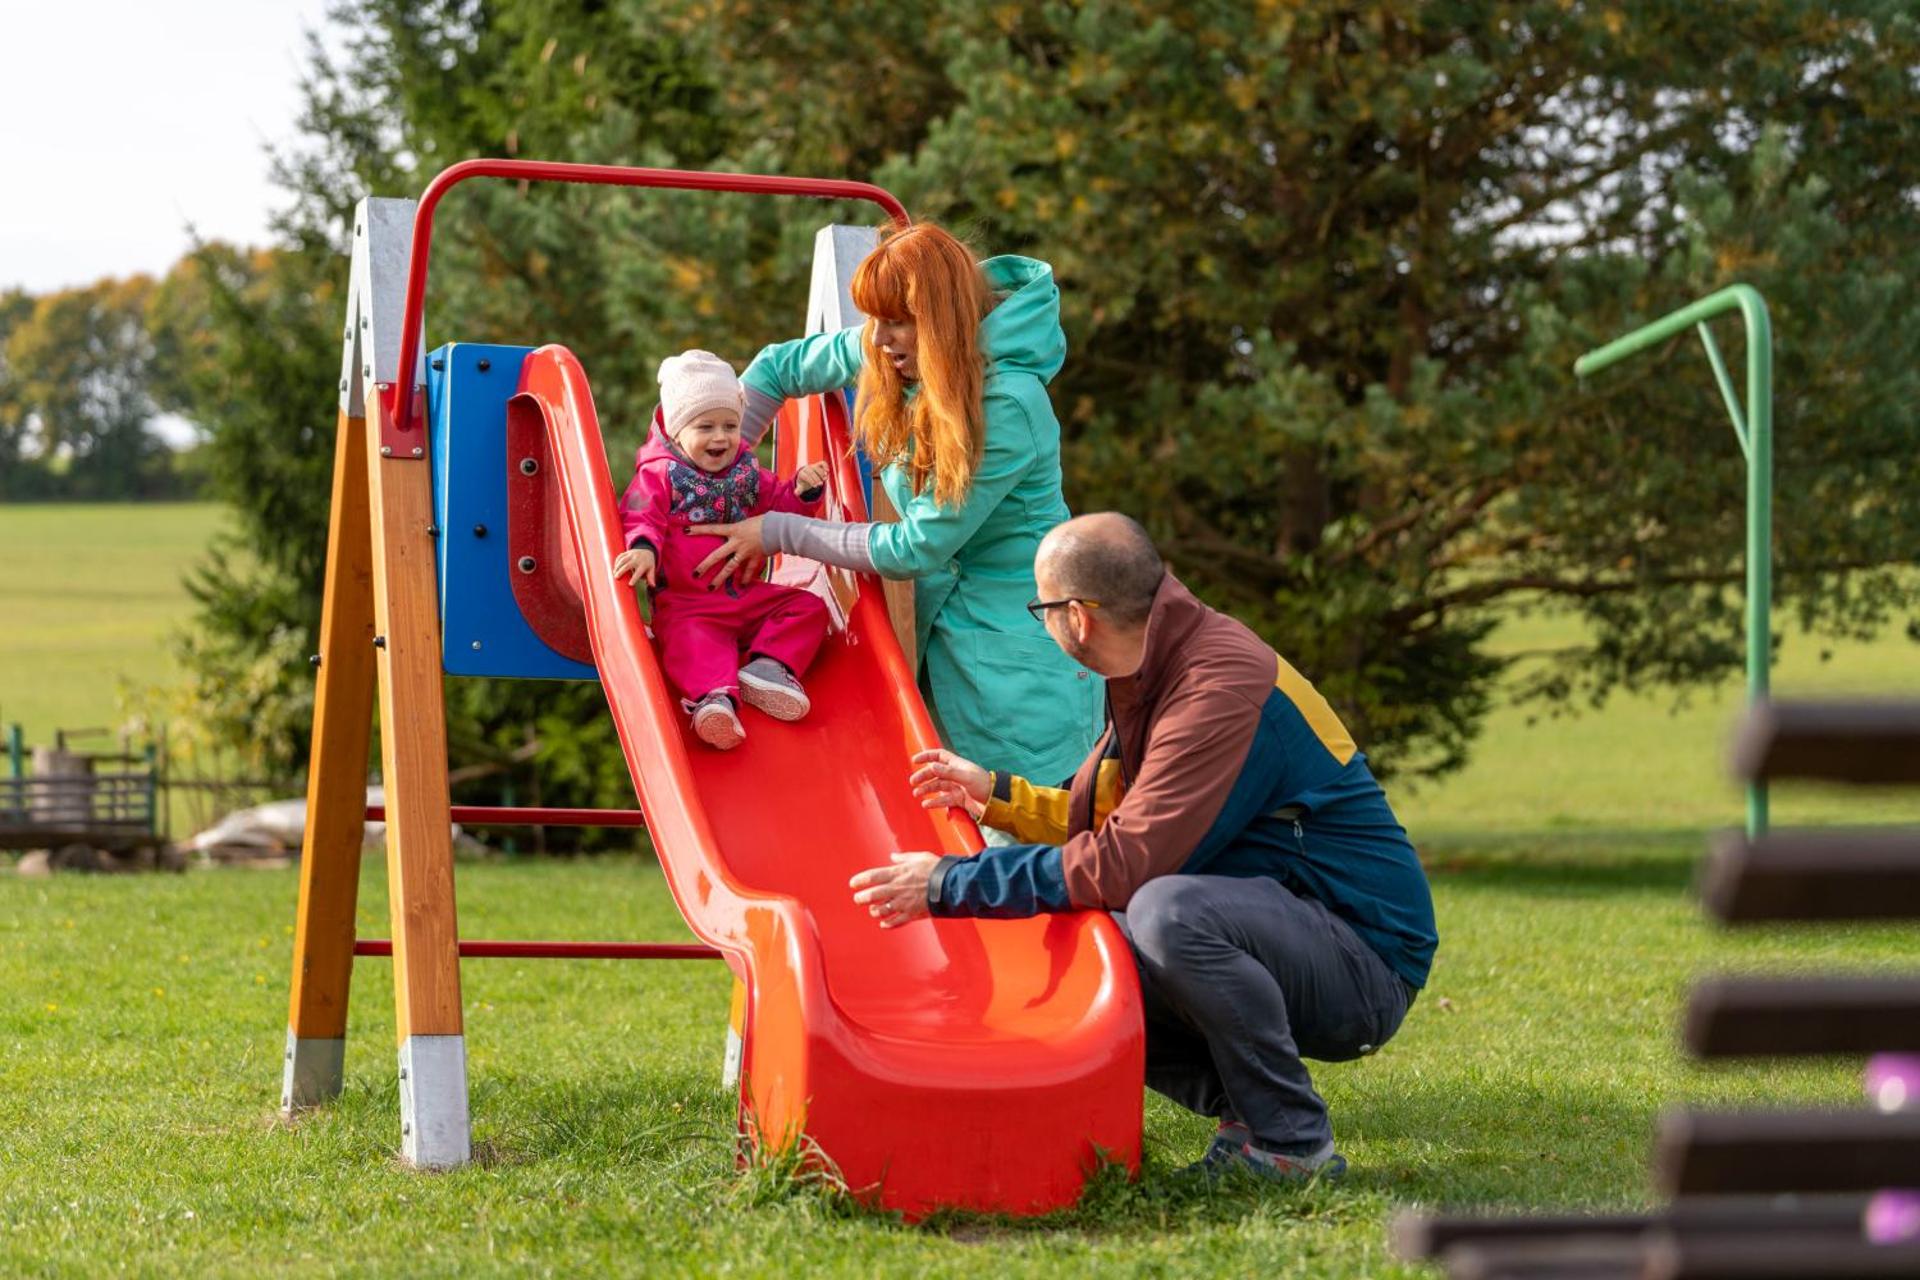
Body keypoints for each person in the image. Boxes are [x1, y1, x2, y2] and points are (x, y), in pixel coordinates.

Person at [849, 513, 1439, 1183]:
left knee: (1162, 912)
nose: (1040, 623)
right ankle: (1249, 1112)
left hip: (1366, 963)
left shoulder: (1216, 688)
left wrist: (950, 883)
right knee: (1099, 933)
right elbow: (1114, 819)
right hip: (1288, 927)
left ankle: (1291, 1143)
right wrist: (996, 795)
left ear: (1077, 617)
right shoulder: (1157, 664)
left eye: (1038, 608)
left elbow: (1126, 861)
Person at [688, 220, 1102, 788]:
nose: (878, 338)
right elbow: (777, 367)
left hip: (1019, 664)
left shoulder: (1010, 404)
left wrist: (776, 531)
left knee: (1025, 845)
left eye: (896, 321)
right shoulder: (895, 352)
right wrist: (720, 477)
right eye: (875, 320)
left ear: (941, 320)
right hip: (945, 643)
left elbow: (916, 546)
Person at [614, 350, 831, 749]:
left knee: (809, 608)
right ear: (678, 431)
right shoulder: (660, 474)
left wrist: (802, 491)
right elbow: (641, 515)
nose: (721, 437)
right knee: (694, 646)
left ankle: (769, 666)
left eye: (730, 425)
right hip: (689, 606)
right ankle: (713, 703)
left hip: (745, 597)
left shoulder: (745, 472)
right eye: (706, 426)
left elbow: (776, 506)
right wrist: (644, 549)